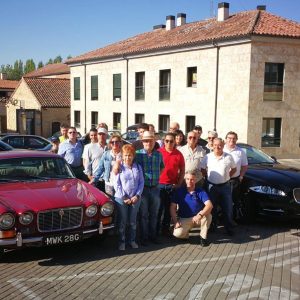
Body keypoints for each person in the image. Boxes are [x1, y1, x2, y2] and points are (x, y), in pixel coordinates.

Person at [200, 138, 236, 235]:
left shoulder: (229, 157)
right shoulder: (208, 157)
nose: (217, 147)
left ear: (223, 146)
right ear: (212, 146)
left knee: (228, 208)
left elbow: (234, 169)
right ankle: (213, 226)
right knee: (212, 208)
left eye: (219, 145)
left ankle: (229, 228)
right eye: (215, 145)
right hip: (212, 187)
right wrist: (206, 176)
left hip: (225, 187)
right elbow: (202, 169)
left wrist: (227, 177)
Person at [135, 131, 164, 246]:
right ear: (142, 142)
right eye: (146, 141)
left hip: (156, 188)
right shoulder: (138, 154)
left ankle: (153, 236)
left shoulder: (158, 154)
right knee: (143, 215)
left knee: (154, 214)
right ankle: (144, 238)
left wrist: (156, 178)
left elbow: (162, 167)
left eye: (151, 140)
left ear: (154, 142)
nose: (148, 143)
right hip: (143, 189)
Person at [114, 144, 144, 250]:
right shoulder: (119, 167)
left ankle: (132, 240)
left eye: (130, 155)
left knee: (132, 221)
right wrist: (124, 197)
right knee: (123, 221)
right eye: (126, 155)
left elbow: (141, 182)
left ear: (133, 156)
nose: (128, 157)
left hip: (135, 198)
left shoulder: (137, 167)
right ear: (122, 156)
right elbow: (116, 184)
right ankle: (122, 241)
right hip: (121, 199)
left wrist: (137, 195)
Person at [170, 171, 213, 247]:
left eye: (192, 179)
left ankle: (203, 238)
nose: (190, 181)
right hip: (184, 218)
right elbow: (172, 207)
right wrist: (175, 221)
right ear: (185, 180)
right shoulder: (179, 191)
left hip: (198, 218)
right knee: (177, 233)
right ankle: (185, 234)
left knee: (208, 215)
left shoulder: (200, 191)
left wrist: (200, 215)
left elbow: (209, 205)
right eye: (188, 179)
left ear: (195, 180)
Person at [157, 132, 185, 236]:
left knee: (169, 209)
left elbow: (182, 170)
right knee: (158, 209)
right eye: (167, 141)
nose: (169, 143)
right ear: (164, 141)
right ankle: (156, 230)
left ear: (175, 142)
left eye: (171, 141)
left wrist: (179, 183)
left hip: (171, 186)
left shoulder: (178, 154)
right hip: (159, 185)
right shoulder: (158, 152)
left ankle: (165, 229)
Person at [224, 131, 248, 220]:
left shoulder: (241, 152)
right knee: (221, 201)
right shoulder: (221, 150)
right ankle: (220, 219)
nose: (231, 140)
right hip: (222, 181)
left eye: (234, 138)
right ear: (225, 140)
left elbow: (245, 166)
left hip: (234, 181)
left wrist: (241, 176)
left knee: (233, 201)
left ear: (236, 140)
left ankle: (231, 220)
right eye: (229, 138)